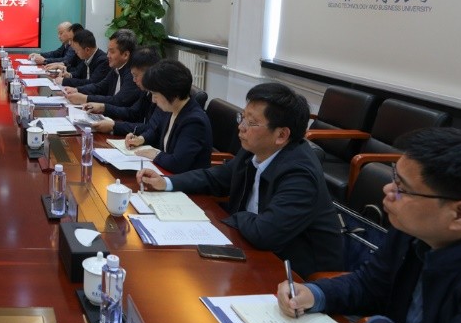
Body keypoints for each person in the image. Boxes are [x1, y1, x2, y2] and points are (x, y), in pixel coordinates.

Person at [278, 128, 461, 323]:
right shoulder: (412, 230)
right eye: (394, 177)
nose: (388, 190)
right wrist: (317, 293)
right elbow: (370, 284)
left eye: (403, 188)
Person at [137, 81, 342, 278]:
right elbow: (216, 177)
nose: (241, 128)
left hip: (296, 276)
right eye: (242, 118)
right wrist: (166, 182)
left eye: (251, 123)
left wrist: (232, 217)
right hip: (249, 249)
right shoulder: (255, 150)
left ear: (281, 135)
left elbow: (265, 232)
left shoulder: (300, 175)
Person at [121, 59, 212, 173]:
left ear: (172, 93)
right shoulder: (171, 107)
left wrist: (155, 154)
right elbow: (155, 131)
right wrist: (141, 139)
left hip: (183, 180)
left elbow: (177, 163)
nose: (153, 100)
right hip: (165, 172)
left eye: (155, 94)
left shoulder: (194, 122)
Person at [89, 46, 161, 135]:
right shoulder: (146, 91)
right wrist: (103, 107)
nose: (134, 80)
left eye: (136, 75)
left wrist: (114, 126)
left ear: (149, 73)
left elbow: (150, 128)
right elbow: (133, 112)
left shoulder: (161, 96)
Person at [61, 31, 139, 107]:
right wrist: (77, 90)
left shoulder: (133, 74)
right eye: (108, 51)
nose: (108, 55)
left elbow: (118, 101)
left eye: (112, 52)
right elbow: (100, 86)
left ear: (125, 55)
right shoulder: (116, 68)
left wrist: (86, 98)